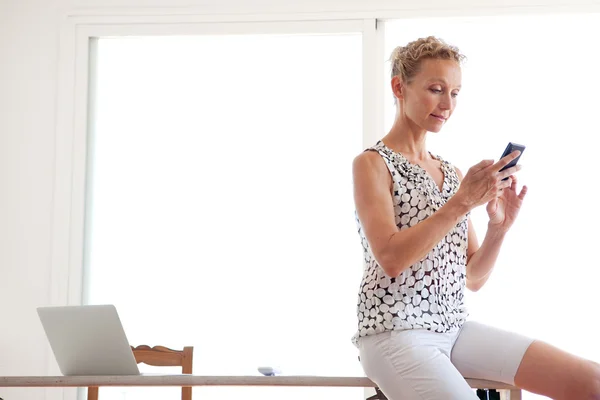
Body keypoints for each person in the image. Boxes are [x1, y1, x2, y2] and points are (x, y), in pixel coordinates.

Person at [351, 36, 600, 400]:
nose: (447, 103)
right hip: (395, 333)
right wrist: (461, 202)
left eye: (454, 93)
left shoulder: (450, 172)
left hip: (454, 328)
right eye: (436, 89)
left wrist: (498, 228)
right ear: (398, 87)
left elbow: (473, 277)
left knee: (591, 382)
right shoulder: (373, 164)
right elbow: (390, 258)